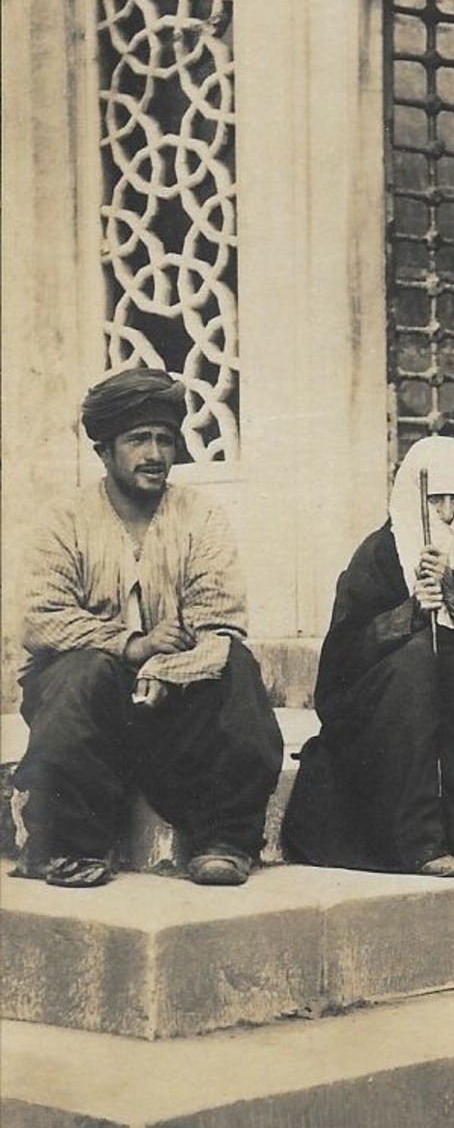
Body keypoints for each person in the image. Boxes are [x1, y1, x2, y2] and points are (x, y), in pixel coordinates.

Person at [13, 366, 284, 887]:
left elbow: (219, 621)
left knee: (238, 666)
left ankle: (225, 841)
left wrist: (167, 668)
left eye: (164, 439)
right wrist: (131, 646)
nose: (155, 454)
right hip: (85, 702)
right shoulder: (63, 519)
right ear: (104, 450)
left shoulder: (200, 516)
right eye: (137, 440)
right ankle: (67, 846)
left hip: (173, 699)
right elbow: (41, 620)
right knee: (83, 673)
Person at [282, 433, 454, 878]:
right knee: (417, 663)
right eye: (436, 501)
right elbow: (342, 660)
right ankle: (416, 841)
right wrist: (410, 613)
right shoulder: (378, 554)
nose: (449, 514)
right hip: (387, 701)